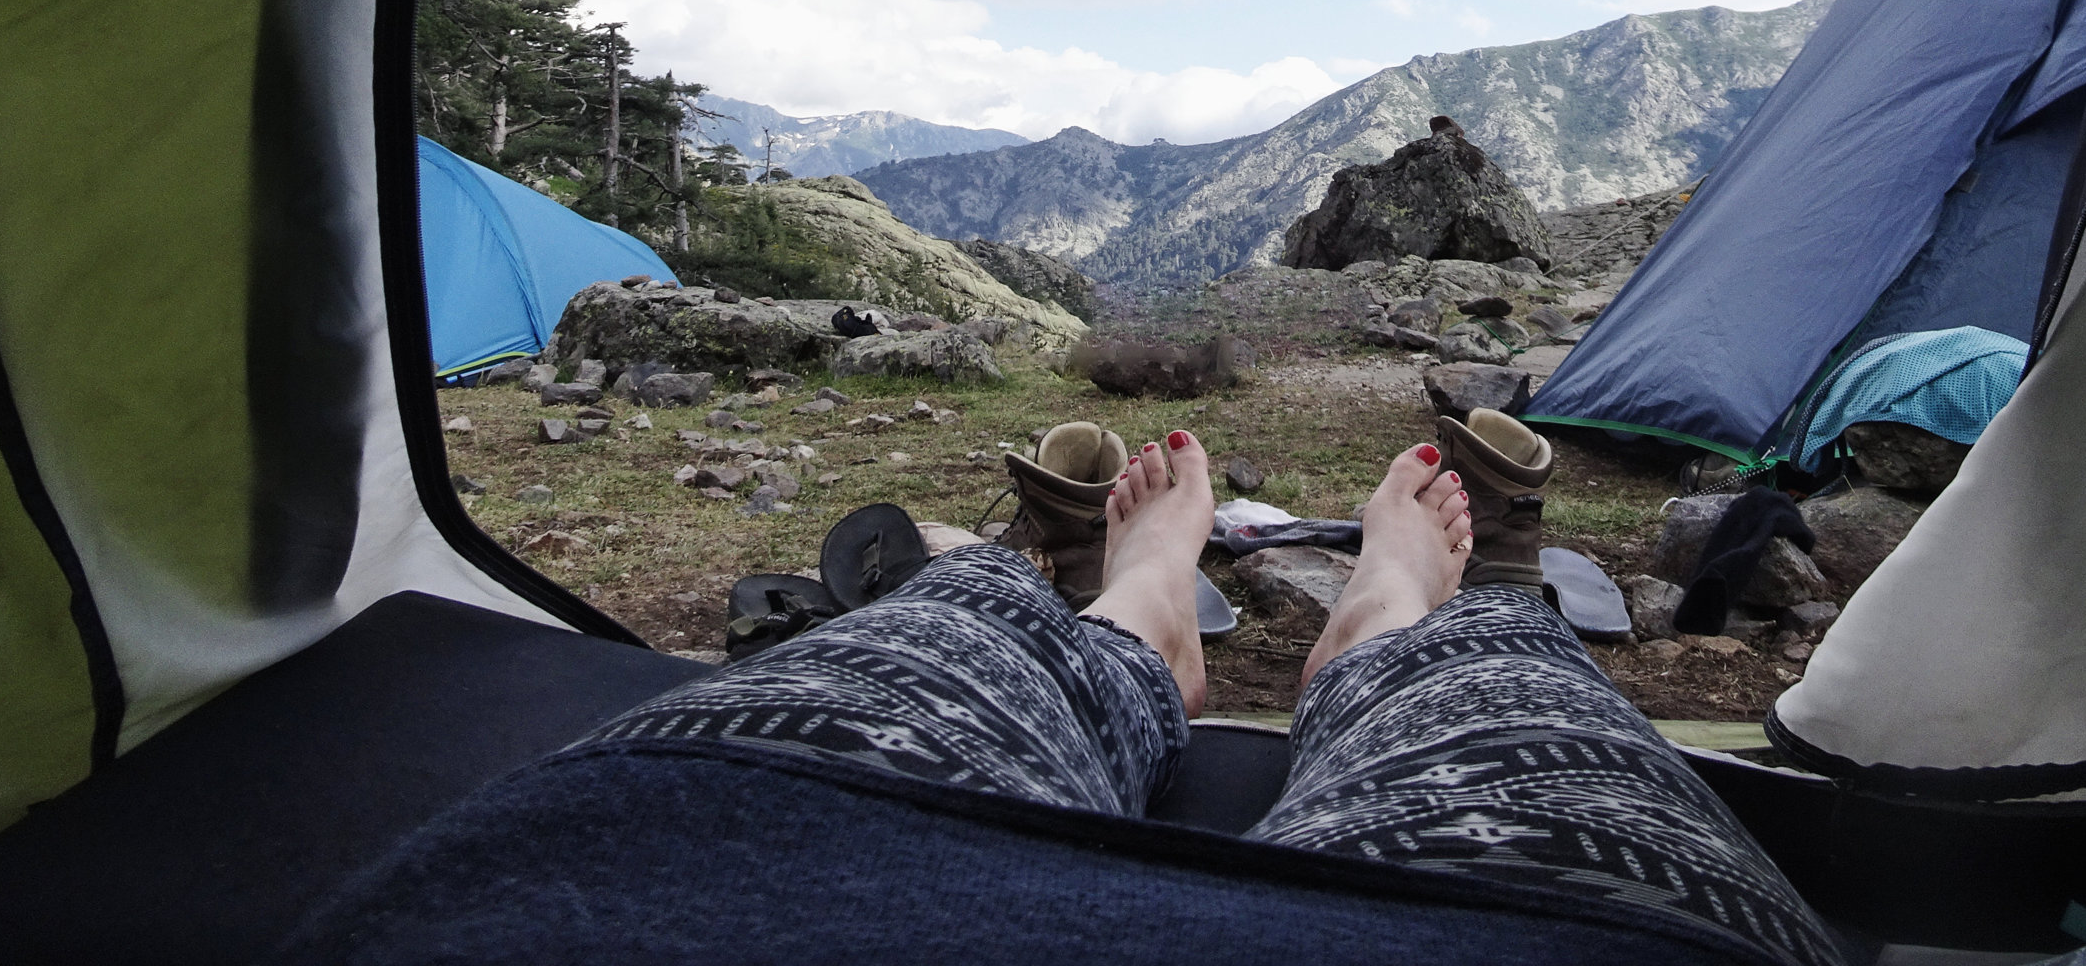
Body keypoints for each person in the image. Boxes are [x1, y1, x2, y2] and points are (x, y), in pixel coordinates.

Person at [283, 425, 1842, 965]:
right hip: (1565, 928)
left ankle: (1132, 609)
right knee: (1500, 686)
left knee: (949, 620)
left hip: (651, 874)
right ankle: (1384, 624)